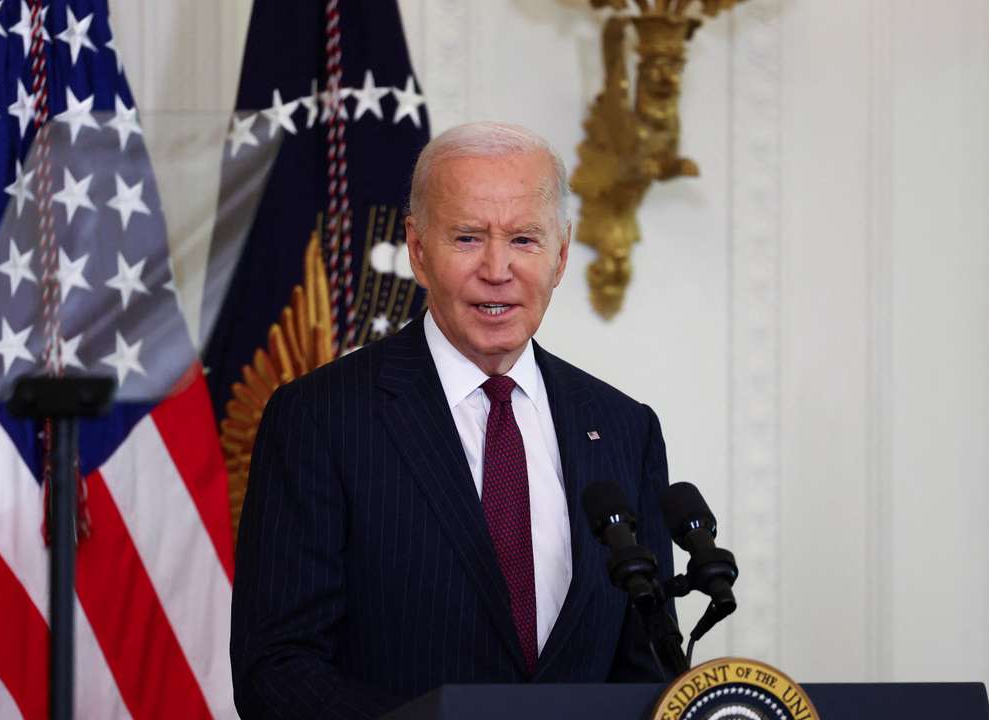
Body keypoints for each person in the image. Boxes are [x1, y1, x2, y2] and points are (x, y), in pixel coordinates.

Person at [231, 122, 675, 719]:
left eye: (524, 239)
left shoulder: (624, 429)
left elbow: (650, 669)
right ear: (417, 250)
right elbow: (275, 669)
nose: (497, 269)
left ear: (562, 254)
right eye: (468, 238)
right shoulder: (321, 418)